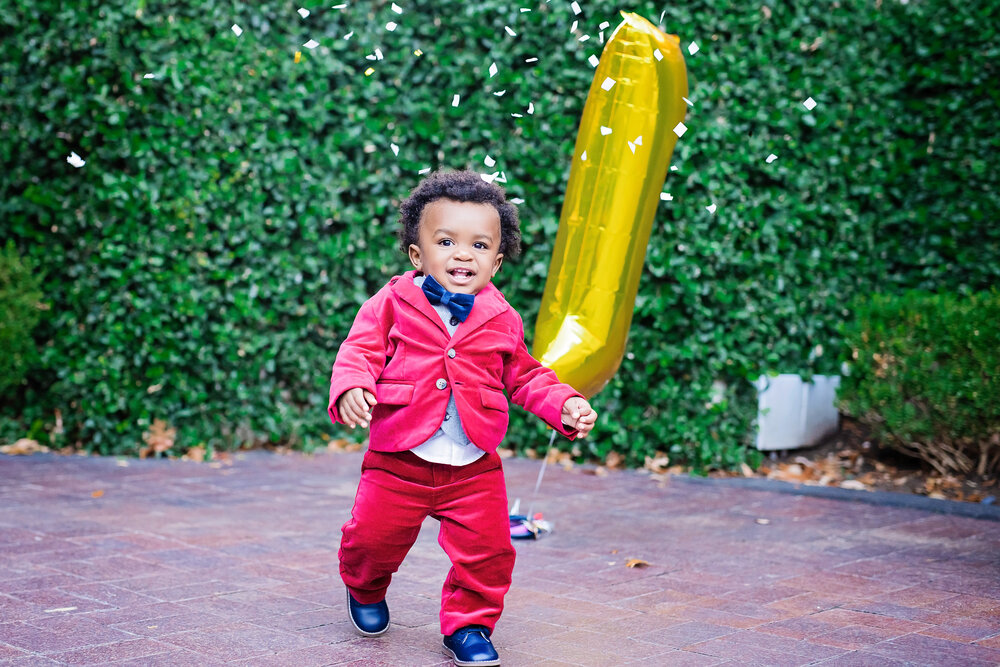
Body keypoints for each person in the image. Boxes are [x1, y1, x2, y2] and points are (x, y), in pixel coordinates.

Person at [328, 170, 597, 666]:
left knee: (489, 553)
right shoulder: (391, 302)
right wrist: (351, 387)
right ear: (418, 254)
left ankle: (469, 625)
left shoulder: (503, 318)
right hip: (399, 458)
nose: (462, 254)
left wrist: (564, 404)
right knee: (372, 540)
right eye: (446, 241)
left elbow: (524, 375)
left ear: (495, 261)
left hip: (473, 464)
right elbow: (359, 350)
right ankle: (364, 587)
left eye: (478, 245)